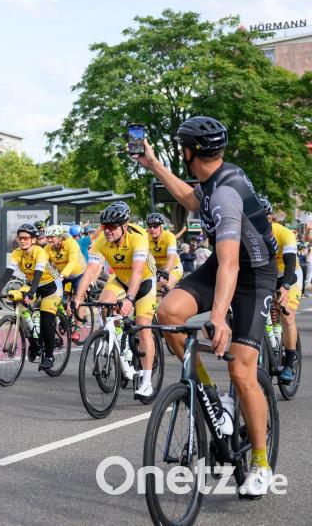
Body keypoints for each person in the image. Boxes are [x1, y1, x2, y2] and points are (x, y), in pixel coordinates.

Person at [136, 116, 276, 497]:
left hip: (255, 274)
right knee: (167, 314)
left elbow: (231, 263)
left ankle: (261, 464)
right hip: (225, 266)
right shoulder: (214, 181)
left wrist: (218, 317)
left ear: (188, 152)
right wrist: (152, 164)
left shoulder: (227, 195)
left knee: (243, 370)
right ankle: (212, 396)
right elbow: (190, 199)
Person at [73, 202, 158, 398]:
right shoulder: (102, 240)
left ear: (124, 227)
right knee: (104, 304)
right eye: (104, 226)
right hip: (120, 278)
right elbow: (91, 270)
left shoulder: (138, 238)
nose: (107, 230)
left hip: (143, 280)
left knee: (143, 329)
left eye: (112, 226)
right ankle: (119, 339)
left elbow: (137, 271)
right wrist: (77, 298)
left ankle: (146, 381)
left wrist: (129, 299)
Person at [0, 223, 61, 369]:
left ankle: (49, 356)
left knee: (46, 320)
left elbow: (38, 274)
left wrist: (31, 293)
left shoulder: (40, 252)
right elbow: (8, 272)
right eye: (20, 238)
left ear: (33, 240)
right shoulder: (17, 253)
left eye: (26, 238)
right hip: (32, 284)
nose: (22, 241)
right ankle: (34, 341)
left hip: (50, 287)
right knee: (18, 304)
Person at [261, 196, 301, 383]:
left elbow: (290, 264)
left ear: (271, 218)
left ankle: (290, 362)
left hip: (289, 274)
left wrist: (285, 287)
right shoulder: (249, 234)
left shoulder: (284, 233)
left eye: (263, 217)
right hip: (266, 275)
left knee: (287, 315)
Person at [44, 224, 87, 341]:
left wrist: (63, 275)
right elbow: (43, 263)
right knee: (58, 299)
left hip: (78, 274)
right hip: (61, 275)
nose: (49, 240)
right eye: (47, 237)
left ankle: (77, 329)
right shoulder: (48, 248)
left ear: (60, 237)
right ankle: (64, 317)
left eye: (52, 237)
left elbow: (72, 262)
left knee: (78, 299)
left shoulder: (71, 243)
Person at [146, 212, 183, 291]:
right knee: (154, 290)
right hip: (156, 269)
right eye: (150, 226)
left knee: (167, 285)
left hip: (173, 267)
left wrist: (166, 273)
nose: (152, 229)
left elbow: (171, 258)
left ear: (161, 227)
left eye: (155, 226)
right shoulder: (145, 237)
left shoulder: (169, 236)